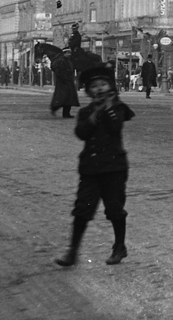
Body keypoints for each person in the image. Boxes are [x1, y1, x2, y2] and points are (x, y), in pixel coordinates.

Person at [55, 65, 135, 267]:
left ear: (110, 87)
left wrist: (106, 108)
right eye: (94, 86)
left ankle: (119, 246)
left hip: (114, 168)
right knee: (82, 209)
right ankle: (72, 251)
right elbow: (81, 133)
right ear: (88, 91)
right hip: (90, 168)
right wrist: (93, 116)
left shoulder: (118, 108)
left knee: (115, 209)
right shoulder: (85, 112)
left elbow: (115, 126)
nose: (99, 88)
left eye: (103, 84)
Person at [50, 53, 80, 118]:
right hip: (63, 82)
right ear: (64, 54)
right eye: (68, 53)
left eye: (70, 53)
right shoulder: (61, 61)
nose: (69, 54)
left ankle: (66, 113)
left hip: (69, 81)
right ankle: (54, 108)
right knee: (62, 97)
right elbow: (57, 71)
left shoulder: (69, 61)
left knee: (69, 99)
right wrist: (63, 78)